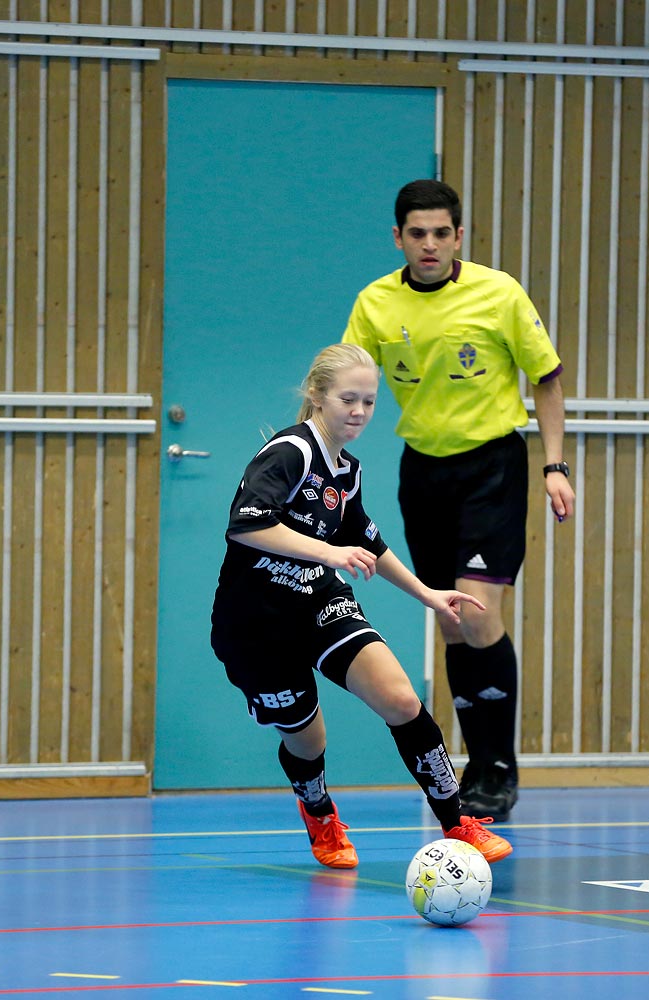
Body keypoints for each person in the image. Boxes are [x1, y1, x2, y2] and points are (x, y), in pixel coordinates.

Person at [210, 343, 513, 869]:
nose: (359, 412)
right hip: (254, 625)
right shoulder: (290, 453)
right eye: (348, 399)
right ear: (316, 396)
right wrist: (328, 551)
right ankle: (319, 811)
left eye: (370, 402)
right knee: (308, 741)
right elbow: (248, 523)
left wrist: (428, 594)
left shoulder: (345, 470)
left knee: (400, 698)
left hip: (318, 601)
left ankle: (456, 821)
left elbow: (367, 540)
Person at [342, 179, 576, 822]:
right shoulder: (376, 303)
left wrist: (554, 465)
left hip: (492, 466)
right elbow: (348, 383)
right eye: (416, 233)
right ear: (398, 238)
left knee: (476, 613)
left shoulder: (497, 293)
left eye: (441, 233)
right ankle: (474, 766)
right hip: (423, 472)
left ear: (458, 237)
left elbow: (547, 376)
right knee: (448, 617)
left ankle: (497, 768)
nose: (429, 244)